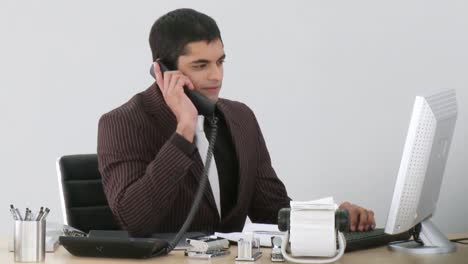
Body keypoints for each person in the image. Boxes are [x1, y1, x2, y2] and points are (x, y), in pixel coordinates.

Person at [97, 8, 375, 237]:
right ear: (162, 71)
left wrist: (335, 218)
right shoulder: (123, 123)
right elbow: (134, 220)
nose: (216, 76)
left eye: (220, 62)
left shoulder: (240, 118)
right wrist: (184, 130)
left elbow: (272, 210)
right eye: (201, 65)